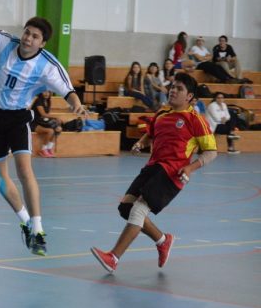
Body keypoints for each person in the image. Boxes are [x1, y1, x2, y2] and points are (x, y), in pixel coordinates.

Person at [0, 0, 88, 256]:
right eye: (27, 32)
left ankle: (38, 227)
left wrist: (76, 104)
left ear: (42, 43)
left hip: (18, 118)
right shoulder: (0, 42)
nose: (28, 38)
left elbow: (67, 89)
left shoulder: (47, 64)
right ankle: (23, 223)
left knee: (24, 170)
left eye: (35, 37)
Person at [91, 72, 217, 273]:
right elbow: (150, 135)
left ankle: (113, 257)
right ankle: (162, 240)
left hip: (172, 173)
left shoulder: (196, 120)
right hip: (152, 167)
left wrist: (191, 167)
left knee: (139, 210)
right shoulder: (162, 113)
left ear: (190, 97)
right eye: (172, 86)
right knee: (126, 208)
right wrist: (141, 143)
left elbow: (211, 152)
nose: (173, 90)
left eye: (179, 89)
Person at [30, 90, 62, 158]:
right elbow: (43, 114)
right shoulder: (38, 101)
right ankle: (43, 150)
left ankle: (49, 148)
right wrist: (56, 117)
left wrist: (55, 120)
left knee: (57, 129)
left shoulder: (48, 101)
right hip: (34, 122)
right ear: (41, 92)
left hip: (41, 121)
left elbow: (46, 116)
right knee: (50, 131)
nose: (46, 94)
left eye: (48, 92)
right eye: (44, 92)